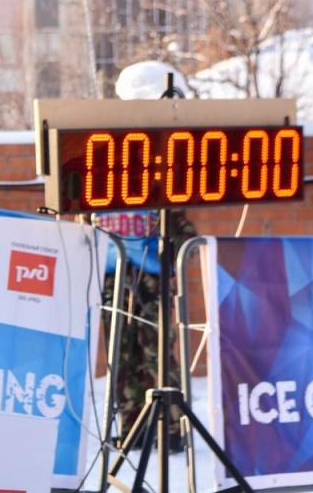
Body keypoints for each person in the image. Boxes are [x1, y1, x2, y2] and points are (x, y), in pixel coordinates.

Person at [97, 61, 196, 449]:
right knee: (122, 354)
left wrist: (177, 245)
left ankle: (169, 428)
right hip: (115, 271)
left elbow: (180, 221)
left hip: (152, 272)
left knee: (158, 351)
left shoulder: (164, 165)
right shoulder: (101, 156)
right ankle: (133, 428)